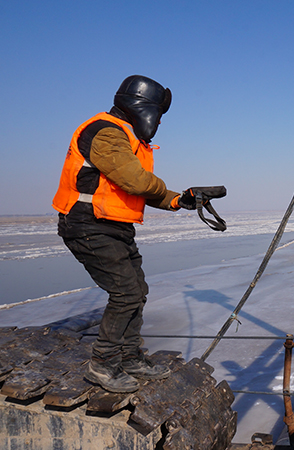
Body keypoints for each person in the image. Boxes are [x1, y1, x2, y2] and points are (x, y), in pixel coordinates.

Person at [52, 75, 199, 393]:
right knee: (126, 292)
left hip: (112, 226)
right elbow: (137, 181)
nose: (158, 122)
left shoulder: (124, 135)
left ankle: (129, 357)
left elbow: (138, 187)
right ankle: (102, 365)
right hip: (88, 225)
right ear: (142, 107)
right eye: (158, 114)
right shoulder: (106, 132)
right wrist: (170, 192)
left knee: (137, 290)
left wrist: (180, 199)